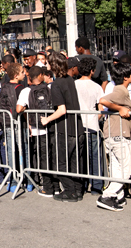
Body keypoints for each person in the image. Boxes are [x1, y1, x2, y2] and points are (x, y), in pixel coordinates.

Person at [41, 52, 85, 202]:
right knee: (75, 161)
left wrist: (47, 119)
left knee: (61, 162)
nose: (46, 66)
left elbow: (62, 109)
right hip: (77, 127)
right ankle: (77, 190)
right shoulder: (70, 80)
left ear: (53, 65)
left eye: (48, 63)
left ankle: (70, 190)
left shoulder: (57, 84)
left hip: (65, 128)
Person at [97, 63, 131, 211]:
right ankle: (108, 194)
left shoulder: (119, 90)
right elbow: (103, 100)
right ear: (126, 77)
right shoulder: (121, 91)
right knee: (126, 168)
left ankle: (117, 196)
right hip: (119, 134)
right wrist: (120, 108)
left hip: (113, 134)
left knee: (117, 168)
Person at [16, 66, 55, 196]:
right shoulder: (49, 88)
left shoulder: (26, 91)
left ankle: (47, 187)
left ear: (30, 77)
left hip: (37, 129)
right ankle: (55, 186)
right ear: (40, 76)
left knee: (42, 158)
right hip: (51, 126)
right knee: (52, 156)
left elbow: (18, 109)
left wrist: (28, 112)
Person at [75, 58, 105, 195]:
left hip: (78, 126)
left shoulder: (74, 85)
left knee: (81, 156)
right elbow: (101, 108)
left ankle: (82, 184)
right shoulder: (97, 87)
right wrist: (95, 118)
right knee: (95, 157)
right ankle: (96, 186)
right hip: (92, 126)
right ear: (92, 71)